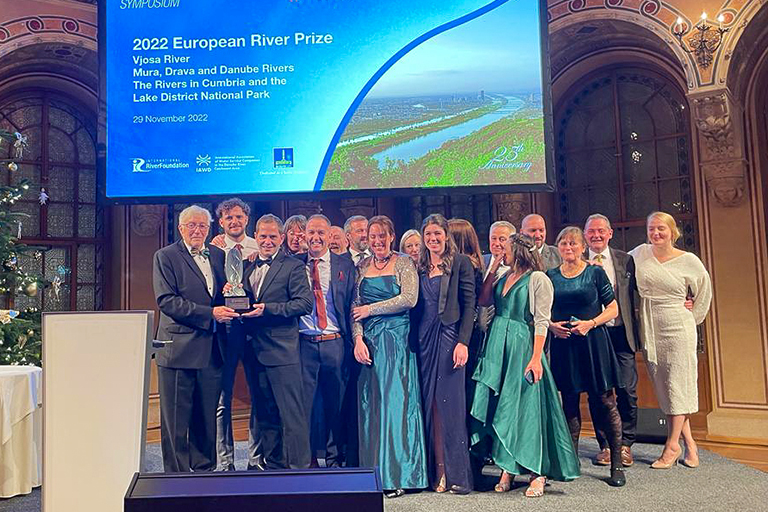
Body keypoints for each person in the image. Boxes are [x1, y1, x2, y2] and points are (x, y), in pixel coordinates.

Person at [471, 234, 580, 497]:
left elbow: (542, 320)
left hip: (522, 346)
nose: (501, 251)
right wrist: (493, 268)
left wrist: (535, 357)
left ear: (518, 251)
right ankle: (507, 467)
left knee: (527, 409)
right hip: (498, 345)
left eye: (505, 248)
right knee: (503, 408)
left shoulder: (537, 279)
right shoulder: (503, 275)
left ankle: (537, 472)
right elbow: (484, 301)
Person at [153, 205, 238, 472]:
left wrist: (230, 294)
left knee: (205, 421)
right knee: (176, 423)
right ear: (181, 228)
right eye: (192, 225)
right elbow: (167, 301)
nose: (197, 230)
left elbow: (223, 296)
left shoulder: (218, 254)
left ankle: (204, 475)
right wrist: (211, 313)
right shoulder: (165, 256)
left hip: (212, 350)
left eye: (202, 225)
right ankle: (176, 483)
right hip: (178, 350)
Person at [629, 212, 712, 469]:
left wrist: (691, 317)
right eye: (652, 228)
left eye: (661, 229)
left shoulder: (689, 261)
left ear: (672, 232)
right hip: (651, 327)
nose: (656, 233)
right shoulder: (639, 254)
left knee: (678, 385)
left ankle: (672, 445)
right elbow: (616, 266)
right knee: (665, 388)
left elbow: (704, 293)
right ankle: (691, 445)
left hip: (678, 326)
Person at [352, 215, 426, 497]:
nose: (377, 241)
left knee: (395, 403)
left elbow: (409, 298)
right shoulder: (361, 266)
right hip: (369, 343)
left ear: (391, 237)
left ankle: (398, 474)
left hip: (396, 341)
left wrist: (372, 310)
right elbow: (354, 306)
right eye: (373, 236)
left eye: (382, 236)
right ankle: (374, 475)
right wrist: (358, 338)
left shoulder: (404, 262)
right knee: (373, 406)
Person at [547, 226, 626, 487]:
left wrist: (590, 323)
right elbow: (541, 311)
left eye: (573, 244)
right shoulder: (550, 276)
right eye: (563, 244)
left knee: (604, 402)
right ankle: (571, 460)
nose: (568, 248)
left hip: (593, 343)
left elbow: (613, 308)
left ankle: (616, 462)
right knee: (569, 402)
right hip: (564, 345)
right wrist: (551, 326)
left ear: (582, 247)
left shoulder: (595, 272)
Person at [241, 214, 314, 469]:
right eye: (263, 236)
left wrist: (268, 309)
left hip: (283, 351)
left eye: (273, 236)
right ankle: (274, 467)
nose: (268, 241)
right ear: (256, 237)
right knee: (266, 413)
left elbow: (304, 304)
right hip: (253, 351)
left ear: (281, 238)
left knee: (292, 415)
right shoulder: (246, 265)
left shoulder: (292, 266)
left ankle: (300, 471)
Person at [411, 214, 474, 494]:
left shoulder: (459, 263)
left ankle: (456, 474)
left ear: (446, 235)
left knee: (450, 405)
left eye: (437, 234)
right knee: (430, 406)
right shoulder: (419, 265)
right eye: (428, 235)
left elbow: (470, 305)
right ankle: (436, 471)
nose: (433, 239)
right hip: (423, 340)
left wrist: (463, 342)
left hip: (449, 338)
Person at [298, 214, 357, 468]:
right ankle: (309, 459)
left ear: (329, 236)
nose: (316, 237)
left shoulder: (344, 265)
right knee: (306, 407)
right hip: (303, 344)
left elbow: (353, 302)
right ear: (305, 235)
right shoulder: (294, 264)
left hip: (335, 342)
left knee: (336, 404)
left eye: (321, 232)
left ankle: (334, 459)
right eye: (311, 232)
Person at [210, 198, 264, 471]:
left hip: (254, 328)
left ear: (247, 219)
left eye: (239, 217)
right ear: (221, 222)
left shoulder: (260, 246)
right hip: (225, 329)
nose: (234, 221)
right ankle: (225, 461)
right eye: (229, 217)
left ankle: (256, 460)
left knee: (258, 395)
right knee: (223, 397)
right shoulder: (212, 251)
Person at [584, 214, 640, 467]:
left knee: (627, 390)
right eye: (591, 231)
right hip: (594, 336)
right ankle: (606, 445)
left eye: (600, 231)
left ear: (609, 234)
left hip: (620, 333)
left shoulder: (625, 260)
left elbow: (639, 294)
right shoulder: (578, 261)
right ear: (585, 235)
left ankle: (626, 444)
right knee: (599, 393)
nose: (596, 235)